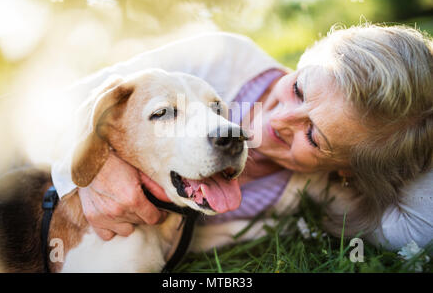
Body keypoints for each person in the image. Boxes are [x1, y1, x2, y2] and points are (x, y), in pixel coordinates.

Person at [51, 24, 433, 251]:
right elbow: (52, 107)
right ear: (305, 59)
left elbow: (421, 228)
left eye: (313, 137)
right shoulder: (219, 58)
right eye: (298, 89)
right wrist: (83, 171)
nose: (278, 120)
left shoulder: (327, 191)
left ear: (346, 169)